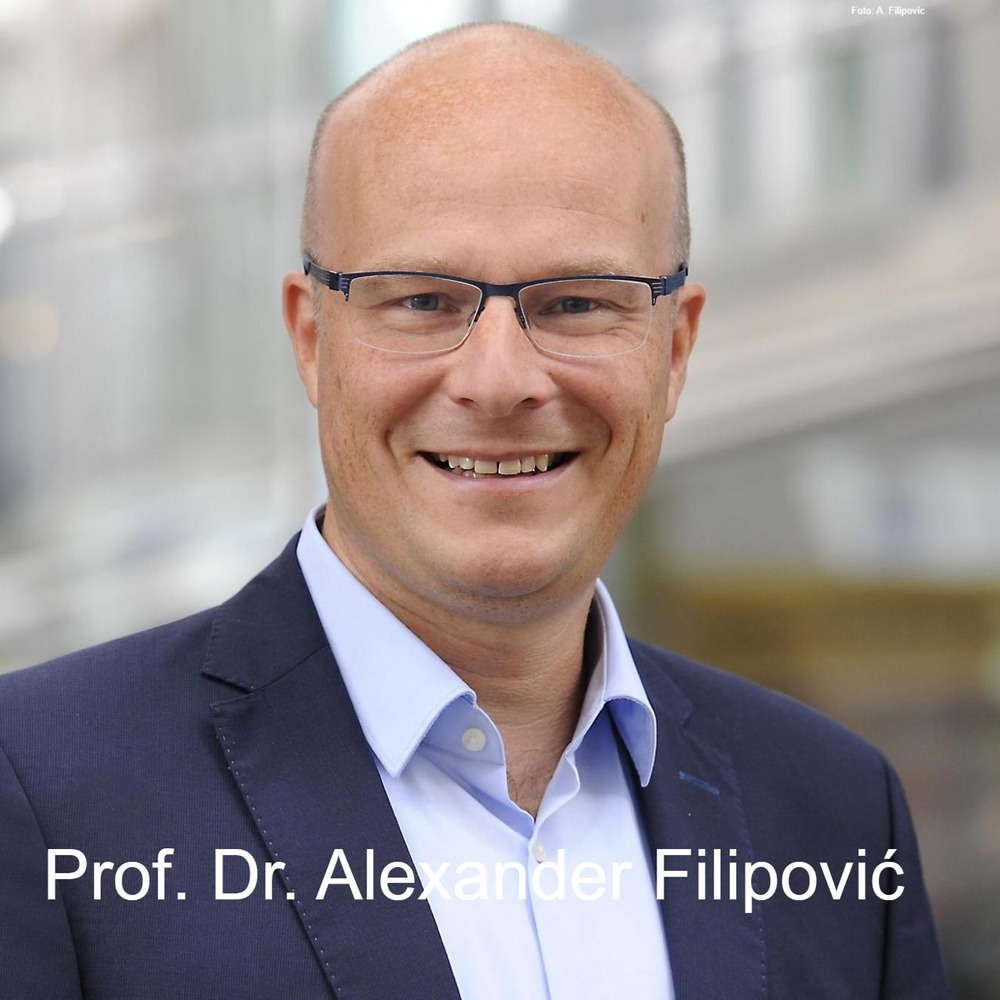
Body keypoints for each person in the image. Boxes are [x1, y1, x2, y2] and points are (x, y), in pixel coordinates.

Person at [0, 22, 947, 1000]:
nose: (499, 382)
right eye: (423, 301)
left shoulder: (834, 812)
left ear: (673, 350)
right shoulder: (39, 790)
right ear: (312, 339)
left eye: (577, 303)